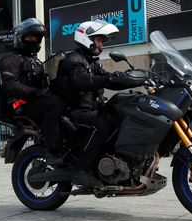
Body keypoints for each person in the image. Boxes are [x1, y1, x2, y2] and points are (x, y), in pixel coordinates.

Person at [52, 20, 146, 186]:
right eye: (98, 40)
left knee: (121, 116)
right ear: (86, 38)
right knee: (101, 125)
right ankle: (81, 170)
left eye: (101, 41)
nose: (101, 45)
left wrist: (132, 78)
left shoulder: (91, 62)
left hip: (90, 110)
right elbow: (82, 80)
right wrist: (109, 78)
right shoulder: (73, 60)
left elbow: (108, 79)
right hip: (74, 112)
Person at [0, 18, 64, 163]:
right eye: (30, 38)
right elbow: (10, 86)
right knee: (54, 103)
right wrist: (35, 92)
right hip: (22, 106)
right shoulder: (10, 59)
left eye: (36, 39)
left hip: (37, 102)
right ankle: (52, 150)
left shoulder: (36, 61)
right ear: (19, 38)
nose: (33, 41)